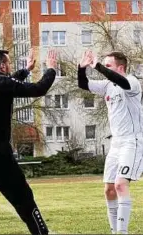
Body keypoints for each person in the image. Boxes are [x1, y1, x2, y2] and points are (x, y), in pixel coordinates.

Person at [0, 49, 57, 235]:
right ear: (2, 66)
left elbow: (6, 84)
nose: (11, 66)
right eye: (9, 63)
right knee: (24, 200)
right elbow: (39, 89)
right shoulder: (0, 83)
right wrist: (51, 69)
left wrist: (26, 70)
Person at [78, 50, 143, 234]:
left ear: (120, 67)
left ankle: (122, 232)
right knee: (108, 190)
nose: (104, 70)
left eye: (108, 66)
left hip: (132, 141)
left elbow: (120, 81)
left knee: (120, 185)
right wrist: (81, 68)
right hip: (116, 144)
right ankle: (114, 231)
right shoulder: (107, 86)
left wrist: (97, 66)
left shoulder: (132, 82)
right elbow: (83, 84)